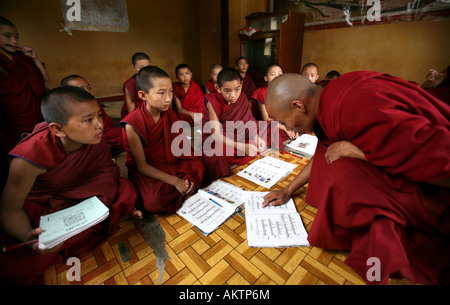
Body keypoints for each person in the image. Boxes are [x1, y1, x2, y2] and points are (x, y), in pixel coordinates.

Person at [262, 71, 450, 285]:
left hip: (435, 190)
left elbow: (439, 160)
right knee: (337, 159)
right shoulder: (327, 99)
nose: (287, 129)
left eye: (284, 121)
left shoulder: (357, 105)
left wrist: (358, 153)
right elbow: (324, 152)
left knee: (344, 173)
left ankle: (383, 261)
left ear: (298, 106)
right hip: (410, 169)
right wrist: (287, 190)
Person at [0, 86, 141, 284]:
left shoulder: (94, 140)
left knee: (126, 188)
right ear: (57, 129)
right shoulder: (28, 158)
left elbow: (105, 173)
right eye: (88, 120)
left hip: (81, 195)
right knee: (18, 263)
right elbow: (9, 209)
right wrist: (28, 237)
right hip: (46, 208)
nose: (100, 125)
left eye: (99, 116)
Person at [121, 66, 227, 214]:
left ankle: (185, 186)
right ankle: (186, 186)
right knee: (154, 201)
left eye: (170, 91)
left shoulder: (169, 114)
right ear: (142, 95)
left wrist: (188, 170)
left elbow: (182, 148)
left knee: (214, 158)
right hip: (151, 169)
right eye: (161, 93)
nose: (168, 98)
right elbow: (142, 166)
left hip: (175, 161)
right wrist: (176, 181)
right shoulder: (132, 124)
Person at [0, 16, 49, 191]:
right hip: (12, 113)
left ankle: (42, 175)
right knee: (20, 148)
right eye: (7, 36)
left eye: (16, 37)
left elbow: (44, 79)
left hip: (35, 108)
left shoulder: (22, 58)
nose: (14, 41)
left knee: (39, 141)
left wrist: (35, 59)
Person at [202, 68, 277, 166]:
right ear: (218, 88)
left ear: (242, 85)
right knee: (217, 151)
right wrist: (242, 147)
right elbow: (216, 134)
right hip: (220, 136)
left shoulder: (242, 97)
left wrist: (256, 136)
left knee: (268, 128)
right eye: (227, 91)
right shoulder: (212, 101)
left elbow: (248, 121)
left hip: (238, 132)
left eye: (237, 89)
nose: (233, 95)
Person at [60, 75, 128, 177]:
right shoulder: (65, 116)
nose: (88, 92)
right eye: (81, 89)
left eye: (89, 87)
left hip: (107, 142)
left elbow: (108, 129)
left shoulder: (95, 106)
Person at [251, 63, 298, 147]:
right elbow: (265, 118)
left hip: (279, 122)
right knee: (275, 136)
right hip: (266, 124)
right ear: (266, 78)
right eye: (272, 74)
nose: (277, 77)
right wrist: (284, 128)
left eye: (279, 74)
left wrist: (290, 126)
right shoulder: (261, 93)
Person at [121, 52, 152, 119]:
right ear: (133, 67)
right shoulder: (130, 83)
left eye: (148, 67)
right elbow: (131, 106)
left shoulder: (154, 80)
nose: (145, 71)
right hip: (137, 113)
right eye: (141, 67)